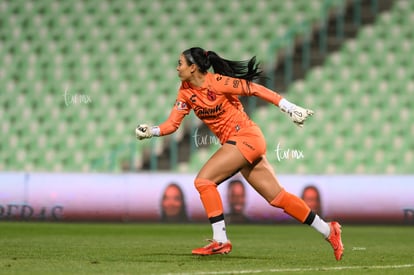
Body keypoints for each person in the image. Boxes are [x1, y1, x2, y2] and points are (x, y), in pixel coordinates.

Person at [135, 47, 343, 260]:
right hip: (240, 144)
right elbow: (172, 124)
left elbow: (254, 89)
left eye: (180, 63)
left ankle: (221, 240)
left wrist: (288, 107)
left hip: (246, 137)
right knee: (278, 198)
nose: (177, 67)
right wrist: (151, 131)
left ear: (193, 67)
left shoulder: (217, 82)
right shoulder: (185, 92)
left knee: (204, 182)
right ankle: (328, 230)